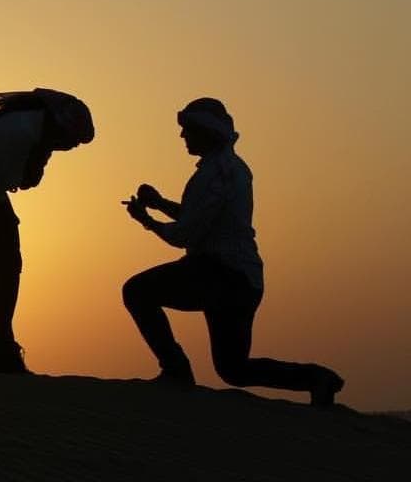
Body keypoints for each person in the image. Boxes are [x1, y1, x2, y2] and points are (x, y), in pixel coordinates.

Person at [121, 97, 344, 406]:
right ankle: (315, 378)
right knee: (233, 369)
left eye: (189, 129)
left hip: (221, 274)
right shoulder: (228, 169)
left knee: (137, 291)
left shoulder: (219, 173)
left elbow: (186, 233)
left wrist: (147, 220)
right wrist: (159, 204)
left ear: (206, 132)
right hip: (240, 279)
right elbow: (203, 219)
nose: (183, 136)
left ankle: (175, 370)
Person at [0, 88, 93, 374]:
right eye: (71, 141)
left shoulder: (27, 124)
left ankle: (1, 343)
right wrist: (44, 153)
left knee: (6, 265)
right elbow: (28, 181)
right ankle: (1, 348)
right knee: (6, 265)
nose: (70, 146)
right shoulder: (31, 134)